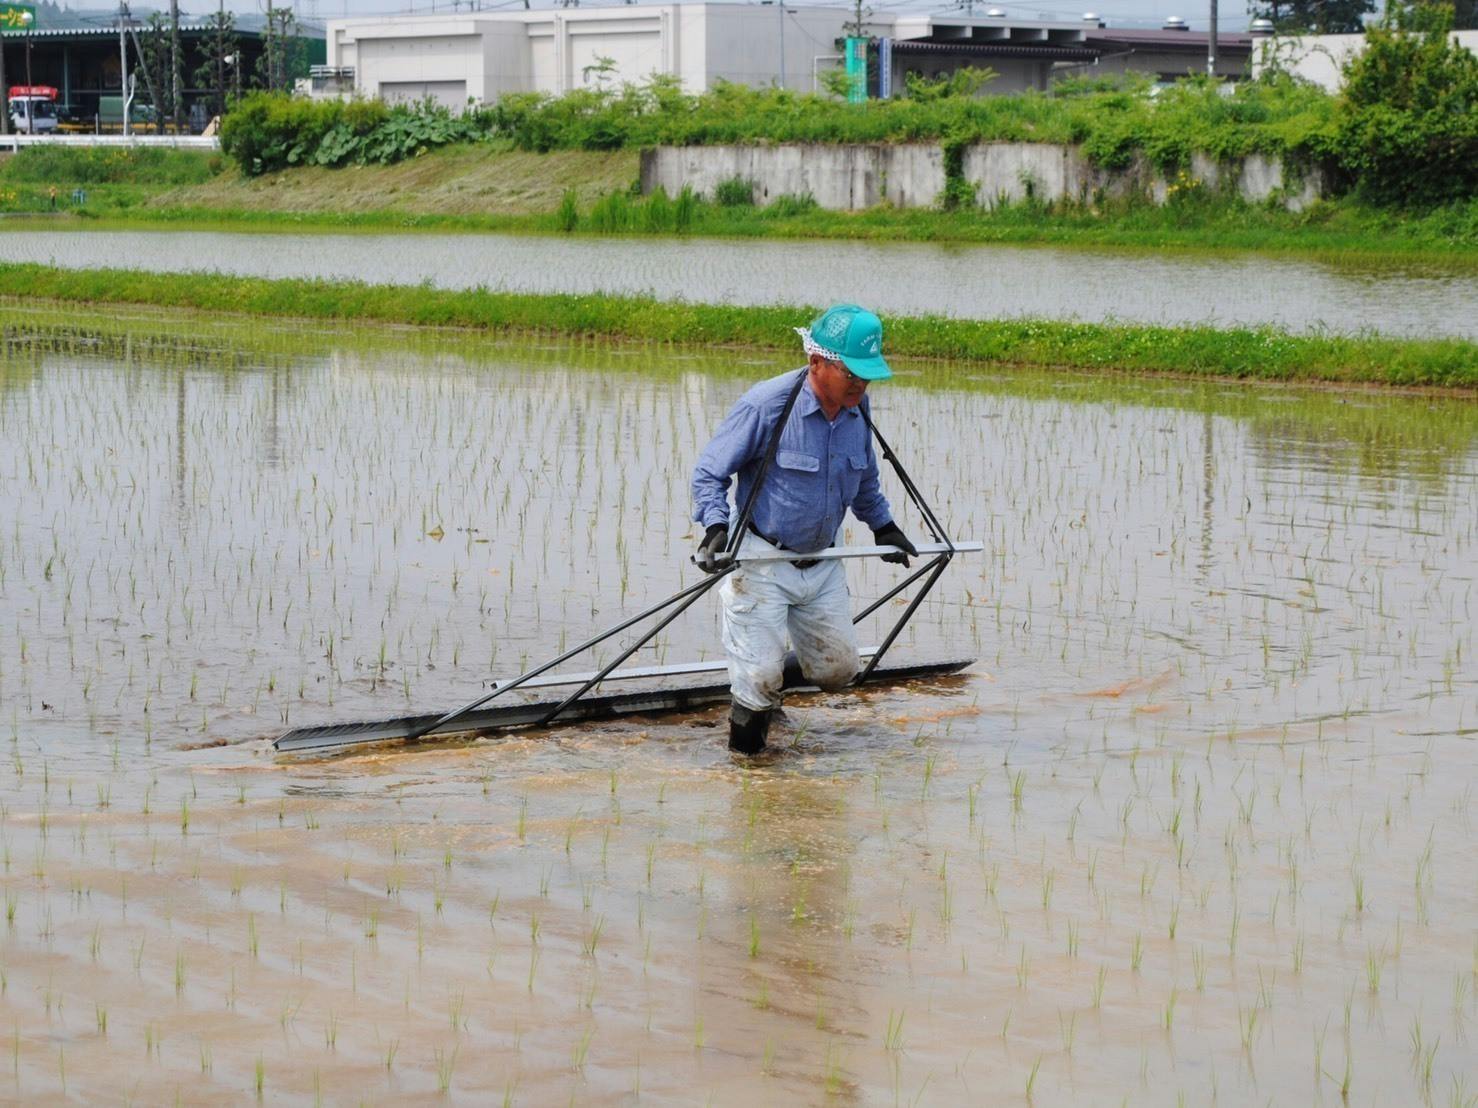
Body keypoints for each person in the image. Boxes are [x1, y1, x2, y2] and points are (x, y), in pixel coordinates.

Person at [691, 303, 917, 754]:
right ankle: (749, 774)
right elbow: (709, 473)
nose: (861, 384)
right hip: (762, 560)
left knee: (838, 669)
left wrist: (883, 526)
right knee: (757, 680)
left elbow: (864, 476)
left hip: (822, 562)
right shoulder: (767, 405)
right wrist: (715, 526)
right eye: (852, 373)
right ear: (817, 362)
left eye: (867, 375)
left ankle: (768, 679)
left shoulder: (857, 407)